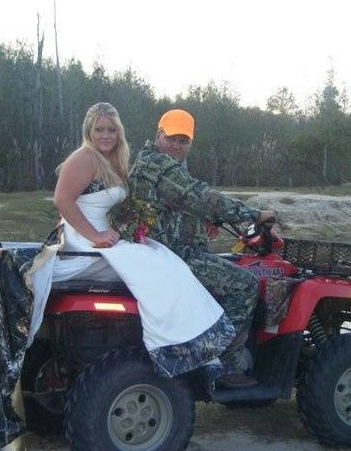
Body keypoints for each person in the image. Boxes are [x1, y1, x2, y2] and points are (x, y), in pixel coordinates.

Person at [28, 102, 237, 378]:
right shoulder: (83, 158)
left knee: (164, 258)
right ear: (88, 131)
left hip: (107, 235)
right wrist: (96, 236)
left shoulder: (114, 160)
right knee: (160, 267)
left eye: (111, 130)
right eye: (99, 129)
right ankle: (173, 343)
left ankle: (188, 339)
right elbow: (62, 200)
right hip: (86, 238)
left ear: (119, 132)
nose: (106, 135)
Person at [129, 109, 279, 389]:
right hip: (173, 255)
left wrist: (206, 218)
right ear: (158, 134)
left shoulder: (161, 163)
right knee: (245, 285)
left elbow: (183, 199)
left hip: (163, 249)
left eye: (183, 140)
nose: (176, 144)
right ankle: (224, 365)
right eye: (171, 137)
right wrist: (253, 214)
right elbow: (201, 196)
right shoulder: (159, 165)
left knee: (230, 265)